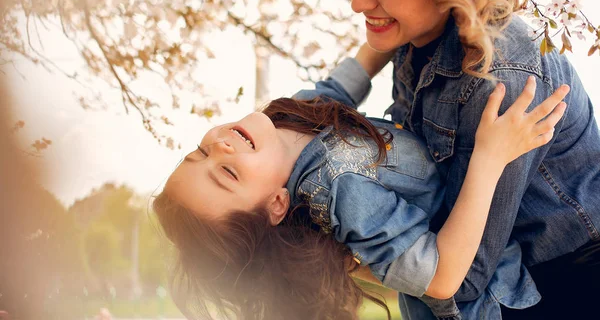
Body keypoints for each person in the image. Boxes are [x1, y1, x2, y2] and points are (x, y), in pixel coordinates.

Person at [153, 54, 568, 320]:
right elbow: (439, 277)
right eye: (228, 173)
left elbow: (334, 92)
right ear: (277, 205)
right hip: (486, 300)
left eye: (199, 153)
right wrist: (489, 157)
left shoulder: (281, 123)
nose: (220, 147)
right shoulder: (338, 189)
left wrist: (379, 44)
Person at [330, 0, 600, 318]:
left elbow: (465, 277)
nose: (358, 2)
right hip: (513, 278)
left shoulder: (499, 78)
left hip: (567, 286)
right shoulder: (415, 39)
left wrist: (363, 249)